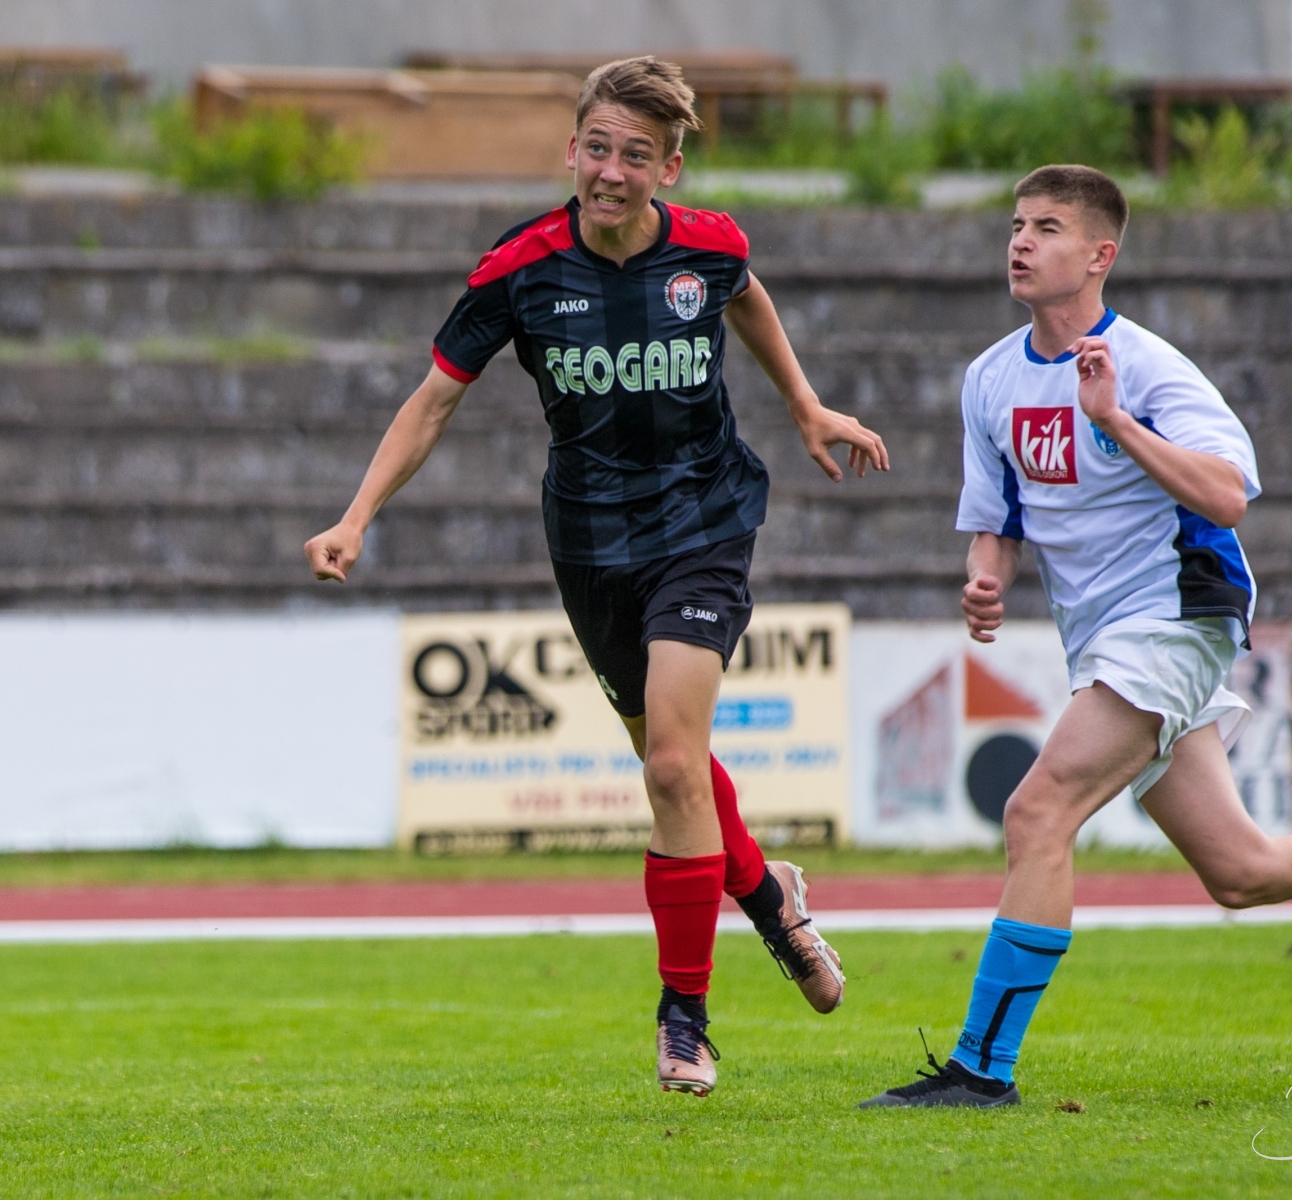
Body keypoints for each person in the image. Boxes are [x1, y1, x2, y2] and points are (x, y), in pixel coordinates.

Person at [860, 164, 1292, 1110]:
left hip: (1178, 618)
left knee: (1037, 814)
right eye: (1017, 225)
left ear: (1101, 255)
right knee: (1242, 871)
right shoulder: (989, 378)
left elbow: (1229, 494)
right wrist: (986, 577)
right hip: (1106, 640)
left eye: (1046, 228)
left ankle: (981, 1071)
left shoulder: (1150, 368)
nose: (1021, 242)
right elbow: (997, 520)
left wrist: (1117, 420)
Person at [304, 56, 886, 1098]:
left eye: (637, 155)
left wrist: (803, 405)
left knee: (670, 768)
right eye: (599, 149)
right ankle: (772, 899)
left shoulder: (710, 247)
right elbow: (433, 400)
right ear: (572, 150)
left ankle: (684, 1023)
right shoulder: (519, 267)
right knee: (677, 770)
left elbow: (747, 298)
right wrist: (356, 517)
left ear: (669, 167)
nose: (613, 171)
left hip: (705, 524)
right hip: (589, 546)